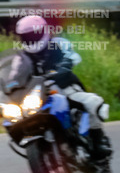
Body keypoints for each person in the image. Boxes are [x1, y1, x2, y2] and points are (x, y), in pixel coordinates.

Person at [15, 15, 112, 163]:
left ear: (43, 31)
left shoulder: (58, 44)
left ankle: (98, 140)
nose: (30, 39)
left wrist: (63, 68)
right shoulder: (21, 58)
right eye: (26, 36)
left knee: (92, 102)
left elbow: (71, 56)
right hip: (37, 95)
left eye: (33, 34)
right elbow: (14, 76)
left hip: (65, 88)